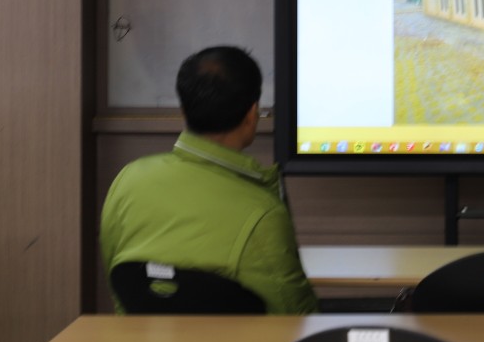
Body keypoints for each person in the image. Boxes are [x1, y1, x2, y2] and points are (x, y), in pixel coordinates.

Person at [100, 45, 319, 314]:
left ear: (183, 110)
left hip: (140, 341)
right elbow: (296, 319)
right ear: (252, 114)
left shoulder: (127, 181)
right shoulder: (263, 214)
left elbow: (118, 283)